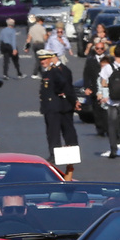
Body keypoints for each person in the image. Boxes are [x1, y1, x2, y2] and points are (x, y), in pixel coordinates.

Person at [37, 49, 79, 178]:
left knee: (54, 132)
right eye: (41, 60)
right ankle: (54, 153)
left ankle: (55, 155)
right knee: (52, 131)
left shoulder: (54, 71)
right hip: (50, 107)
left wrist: (60, 92)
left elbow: (63, 83)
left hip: (54, 107)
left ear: (50, 59)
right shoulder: (48, 72)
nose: (42, 62)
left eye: (45, 59)